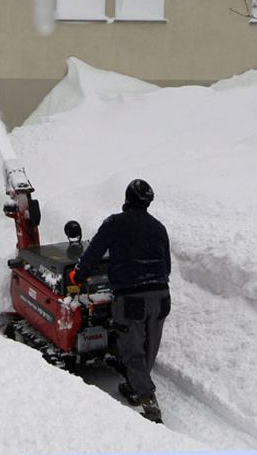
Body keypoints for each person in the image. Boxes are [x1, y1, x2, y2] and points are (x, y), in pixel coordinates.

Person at [70, 179, 171, 423]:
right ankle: (137, 384)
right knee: (149, 344)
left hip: (131, 298)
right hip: (161, 296)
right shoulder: (159, 227)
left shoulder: (114, 223)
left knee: (132, 348)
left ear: (127, 198)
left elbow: (93, 253)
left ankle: (148, 403)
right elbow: (166, 266)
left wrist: (78, 275)